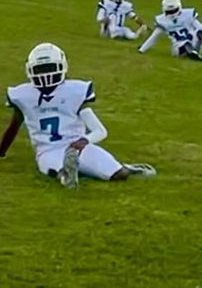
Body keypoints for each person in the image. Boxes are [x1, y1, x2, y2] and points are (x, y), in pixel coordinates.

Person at [0, 43, 156, 187]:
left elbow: (99, 130)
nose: (45, 75)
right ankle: (67, 174)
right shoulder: (23, 95)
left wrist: (82, 142)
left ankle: (125, 167)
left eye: (50, 68)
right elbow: (14, 126)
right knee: (59, 172)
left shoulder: (73, 92)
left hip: (78, 146)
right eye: (41, 70)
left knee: (119, 175)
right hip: (48, 149)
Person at [138, 0, 202, 62]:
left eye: (173, 11)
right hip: (178, 49)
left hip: (193, 43)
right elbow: (154, 36)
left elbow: (201, 27)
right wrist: (142, 49)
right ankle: (193, 54)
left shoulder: (187, 15)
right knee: (184, 43)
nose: (172, 14)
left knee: (199, 32)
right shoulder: (162, 20)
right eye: (169, 12)